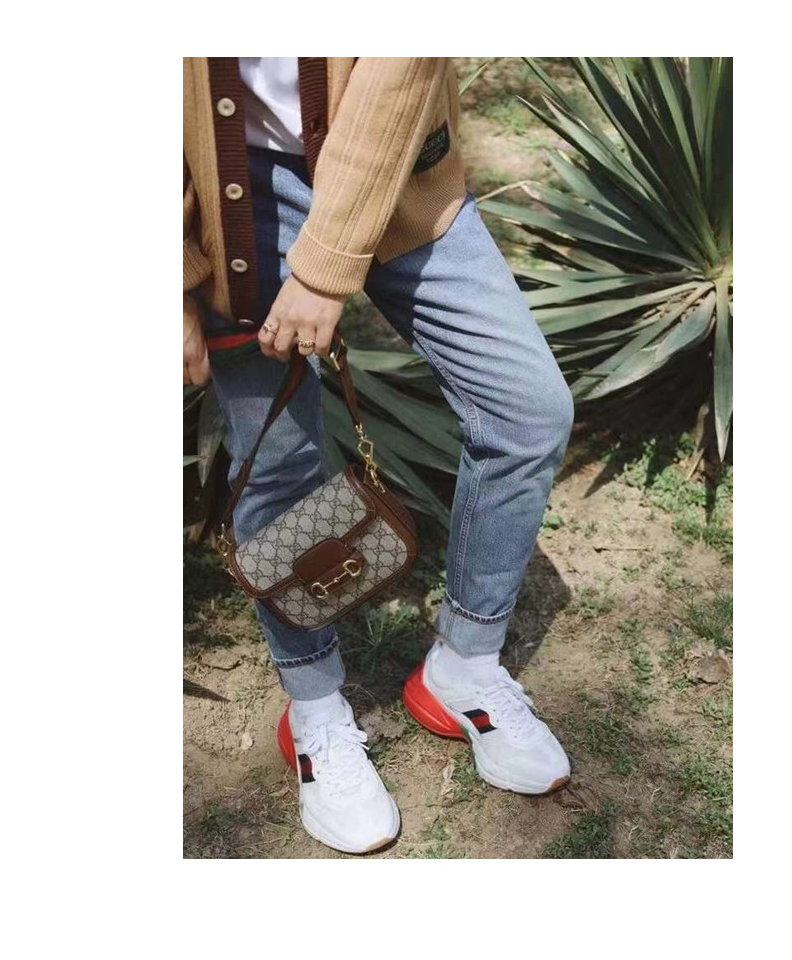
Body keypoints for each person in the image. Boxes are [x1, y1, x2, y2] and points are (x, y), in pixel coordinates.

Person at [183, 58, 574, 854]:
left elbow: (401, 66)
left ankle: (464, 666)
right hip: (231, 197)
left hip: (398, 174)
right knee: (280, 467)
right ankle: (316, 710)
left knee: (526, 410)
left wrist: (325, 268)